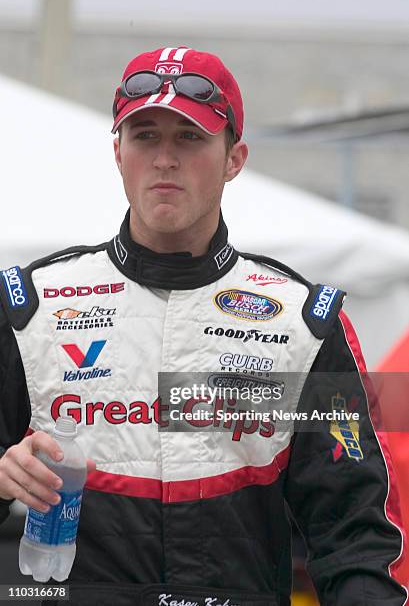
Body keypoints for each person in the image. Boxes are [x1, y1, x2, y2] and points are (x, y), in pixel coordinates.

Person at [0, 45, 406, 606]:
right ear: (118, 152)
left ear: (234, 158)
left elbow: (356, 531)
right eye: (145, 136)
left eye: (189, 137)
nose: (165, 158)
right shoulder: (29, 307)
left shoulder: (304, 323)